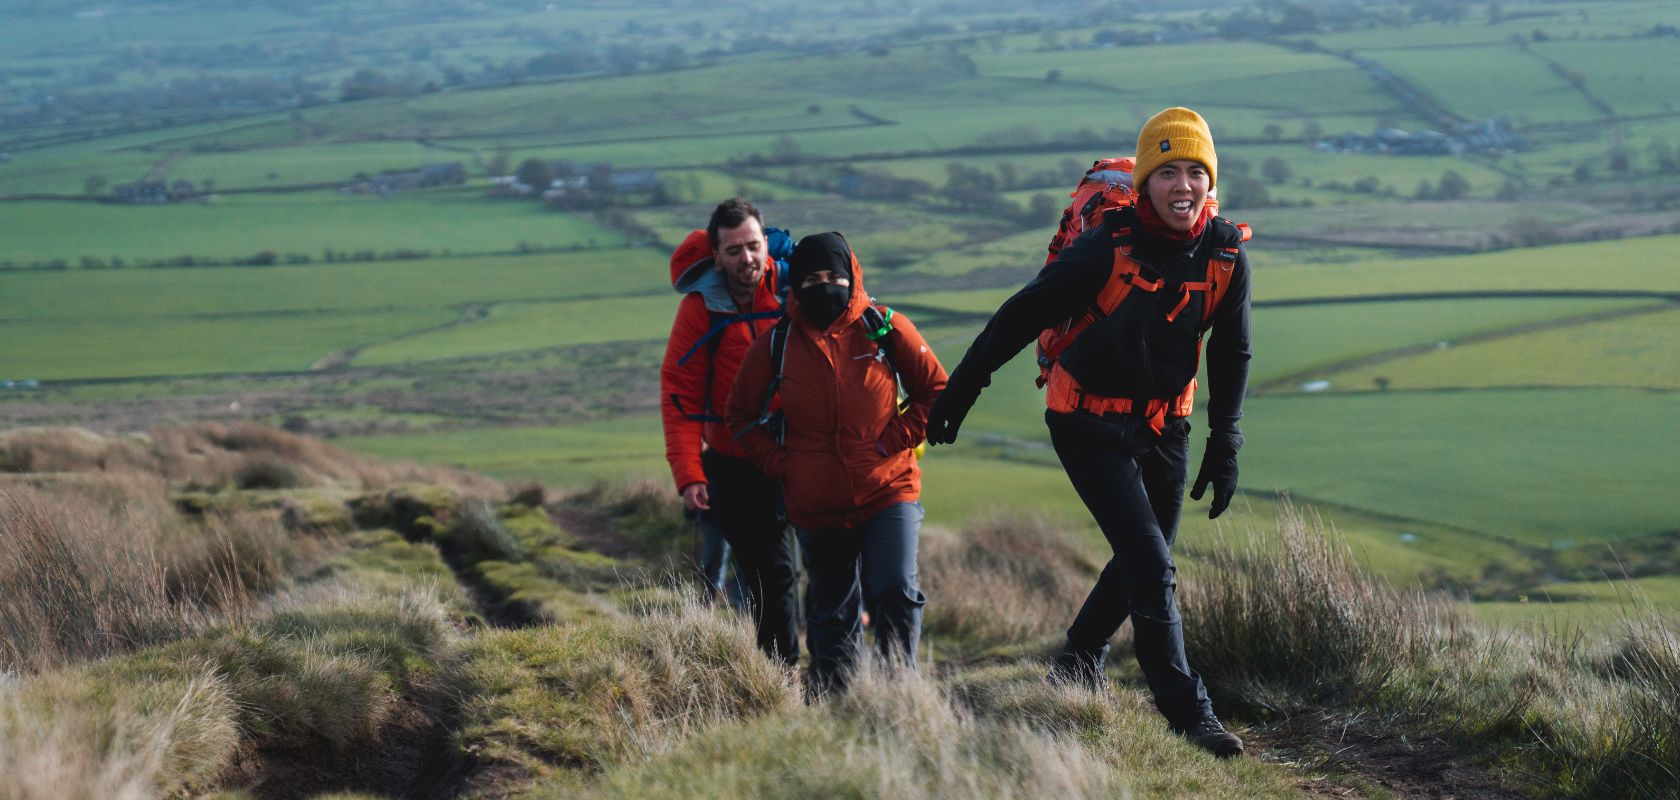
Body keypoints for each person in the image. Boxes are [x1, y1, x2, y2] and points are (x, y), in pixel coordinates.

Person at [924, 108, 1250, 758]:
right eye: (1168, 173)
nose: (1183, 187)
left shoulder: (1224, 254)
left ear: (1210, 183)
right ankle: (1190, 715)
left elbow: (1231, 351)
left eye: (1195, 173)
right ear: (1145, 182)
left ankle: (1078, 656)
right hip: (1086, 419)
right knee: (1152, 564)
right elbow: (1023, 312)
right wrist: (963, 386)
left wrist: (1225, 440)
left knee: (1143, 554)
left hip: (1165, 421)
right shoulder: (1106, 245)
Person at [726, 232, 947, 694]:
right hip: (816, 500)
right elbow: (741, 416)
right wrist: (783, 465)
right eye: (813, 279)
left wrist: (896, 440)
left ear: (853, 276)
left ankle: (897, 695)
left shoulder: (883, 326)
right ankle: (836, 704)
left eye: (835, 277)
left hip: (889, 487)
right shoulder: (778, 344)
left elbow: (937, 391)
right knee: (830, 613)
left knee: (894, 592)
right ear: (797, 285)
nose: (825, 287)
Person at [660, 197, 800, 667]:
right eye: (735, 250)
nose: (748, 260)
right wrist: (689, 474)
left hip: (799, 450)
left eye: (755, 246)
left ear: (767, 244)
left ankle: (796, 672)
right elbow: (678, 396)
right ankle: (776, 673)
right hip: (734, 462)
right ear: (715, 255)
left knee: (787, 570)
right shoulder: (700, 310)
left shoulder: (793, 290)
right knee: (759, 572)